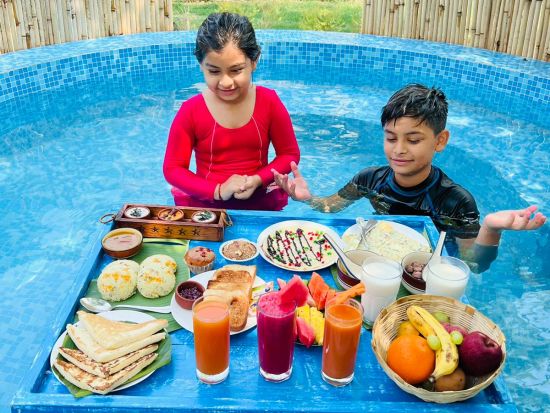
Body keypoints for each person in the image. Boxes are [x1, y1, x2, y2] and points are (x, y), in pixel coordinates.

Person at [272, 84, 546, 272]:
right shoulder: (369, 180)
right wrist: (307, 199)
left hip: (424, 275)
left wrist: (491, 228)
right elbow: (330, 207)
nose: (399, 149)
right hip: (375, 263)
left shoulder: (455, 202)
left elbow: (472, 265)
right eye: (391, 138)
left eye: (413, 140)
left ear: (440, 141)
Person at [163, 12, 300, 211]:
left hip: (260, 201)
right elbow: (173, 169)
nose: (226, 82)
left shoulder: (269, 102)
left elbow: (289, 154)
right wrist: (218, 190)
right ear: (201, 65)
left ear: (254, 61)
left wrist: (257, 179)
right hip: (207, 206)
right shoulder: (191, 111)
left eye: (236, 70)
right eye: (214, 71)